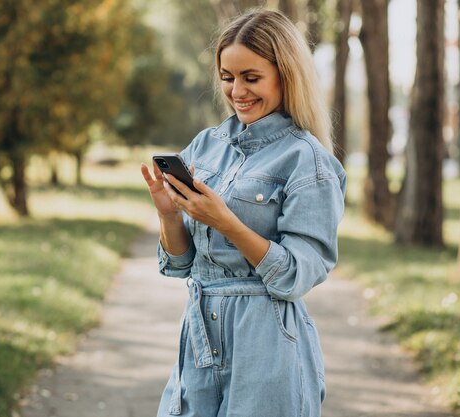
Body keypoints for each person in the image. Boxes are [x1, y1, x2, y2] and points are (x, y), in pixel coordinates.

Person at [140, 8, 346, 417]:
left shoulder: (308, 161)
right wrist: (168, 214)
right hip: (199, 337)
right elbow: (181, 263)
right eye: (227, 77)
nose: (237, 91)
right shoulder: (205, 145)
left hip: (266, 342)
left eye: (251, 78)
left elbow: (295, 275)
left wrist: (225, 221)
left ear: (286, 75)